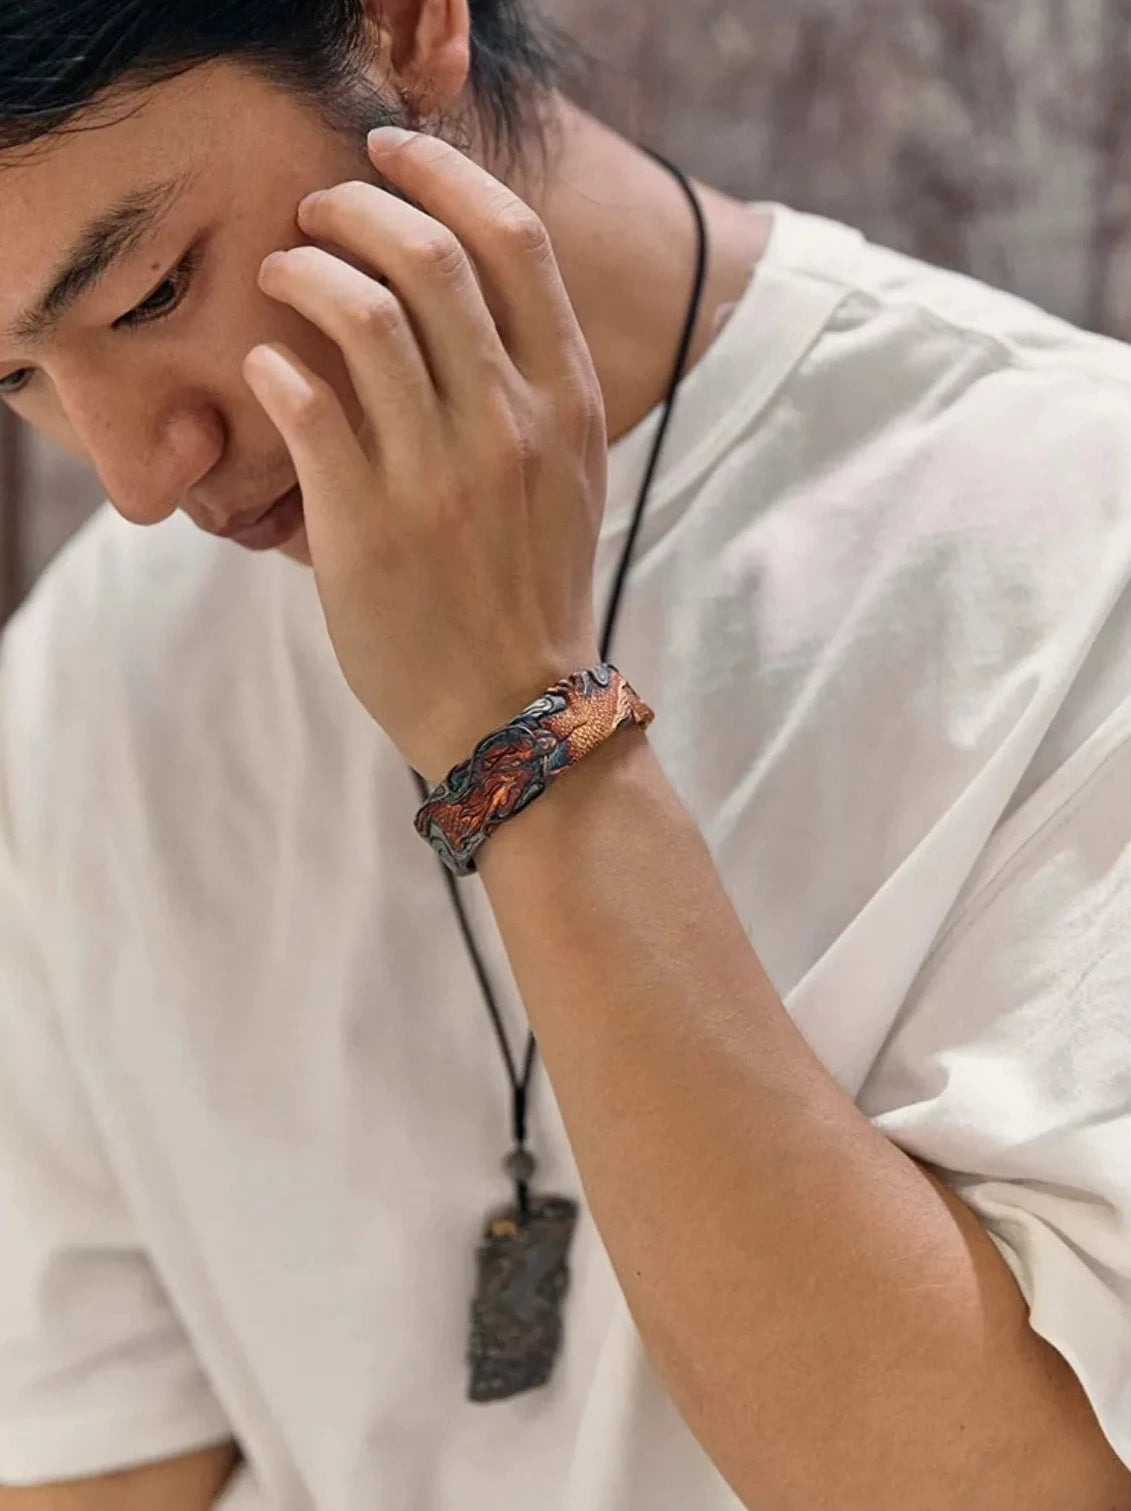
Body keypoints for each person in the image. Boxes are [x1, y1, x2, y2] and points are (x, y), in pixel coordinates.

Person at [0, 1, 1128, 1507]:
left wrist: (521, 724)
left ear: (402, 25)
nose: (138, 475)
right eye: (14, 378)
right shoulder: (88, 677)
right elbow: (96, 1473)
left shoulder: (1073, 545)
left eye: (150, 293)